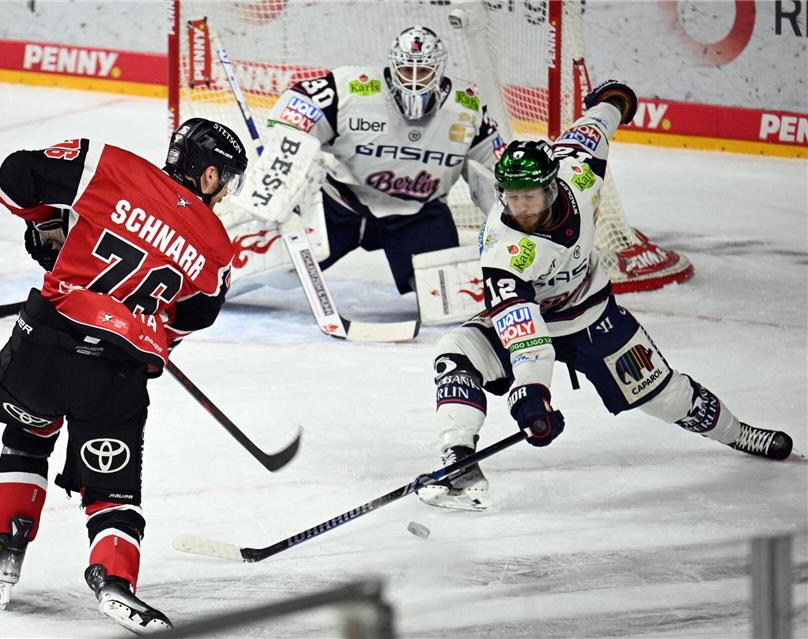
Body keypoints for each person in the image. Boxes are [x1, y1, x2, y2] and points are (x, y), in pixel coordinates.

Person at [417, 81, 794, 512]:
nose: (519, 206)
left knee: (667, 396)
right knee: (455, 352)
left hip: (593, 319)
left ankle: (739, 432)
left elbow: (594, 125)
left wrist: (614, 101)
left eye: (530, 196)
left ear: (553, 187)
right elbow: (527, 339)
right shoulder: (504, 254)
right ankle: (459, 460)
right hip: (533, 325)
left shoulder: (577, 171)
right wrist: (532, 394)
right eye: (512, 196)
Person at [0, 119, 248, 632]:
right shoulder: (217, 247)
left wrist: (44, 222)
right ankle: (115, 582)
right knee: (112, 493)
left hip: (49, 338)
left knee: (28, 435)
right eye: (226, 179)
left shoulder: (109, 165)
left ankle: (7, 547)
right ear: (209, 175)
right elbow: (189, 320)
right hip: (119, 367)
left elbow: (14, 177)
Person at [225, 25, 506, 296]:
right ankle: (212, 284)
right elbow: (298, 104)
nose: (415, 80)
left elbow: (495, 172)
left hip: (417, 215)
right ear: (393, 67)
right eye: (408, 70)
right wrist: (287, 152)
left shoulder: (466, 108)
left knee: (443, 298)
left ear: (440, 70)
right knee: (272, 270)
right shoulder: (353, 89)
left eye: (425, 71)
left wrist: (513, 223)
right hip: (339, 205)